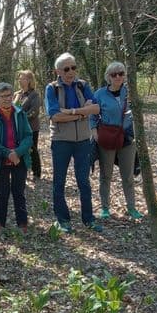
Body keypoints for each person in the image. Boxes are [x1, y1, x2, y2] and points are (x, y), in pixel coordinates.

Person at [45, 52, 101, 234]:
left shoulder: (82, 85)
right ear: (58, 71)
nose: (71, 72)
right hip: (61, 141)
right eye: (67, 69)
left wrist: (71, 112)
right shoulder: (51, 89)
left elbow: (95, 108)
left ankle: (88, 219)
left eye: (74, 67)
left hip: (83, 140)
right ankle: (63, 220)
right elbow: (55, 115)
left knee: (84, 181)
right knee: (59, 182)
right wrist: (81, 113)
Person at [90, 62, 143, 220]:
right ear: (108, 77)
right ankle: (105, 208)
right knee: (106, 175)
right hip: (107, 137)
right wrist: (95, 134)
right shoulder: (99, 94)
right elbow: (92, 116)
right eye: (114, 74)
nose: (118, 77)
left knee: (127, 176)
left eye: (121, 73)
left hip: (127, 138)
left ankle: (132, 207)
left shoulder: (130, 92)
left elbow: (138, 113)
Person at [0, 83, 33, 238]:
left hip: (19, 160)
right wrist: (7, 153)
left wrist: (17, 153)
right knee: (1, 194)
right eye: (3, 96)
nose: (7, 99)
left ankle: (22, 224)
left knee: (19, 192)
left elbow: (28, 136)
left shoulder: (19, 113)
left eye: (9, 95)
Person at [13, 70, 42, 180]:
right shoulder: (17, 94)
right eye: (19, 78)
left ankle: (36, 172)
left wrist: (22, 118)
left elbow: (34, 111)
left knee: (32, 148)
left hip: (31, 127)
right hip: (17, 128)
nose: (20, 80)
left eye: (23, 78)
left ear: (29, 80)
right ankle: (22, 171)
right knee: (20, 149)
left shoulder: (34, 95)